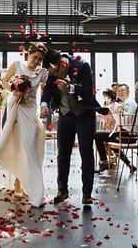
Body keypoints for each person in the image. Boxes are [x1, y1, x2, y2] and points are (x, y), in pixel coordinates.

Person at [0, 43, 48, 206]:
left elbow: (47, 91)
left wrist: (45, 105)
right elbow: (4, 81)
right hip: (16, 107)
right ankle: (17, 183)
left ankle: (28, 184)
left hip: (31, 109)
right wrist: (14, 89)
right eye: (35, 57)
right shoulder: (17, 65)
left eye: (40, 59)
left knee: (29, 146)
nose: (37, 61)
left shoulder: (42, 72)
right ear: (28, 54)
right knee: (16, 143)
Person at [40, 49, 106, 206]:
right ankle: (62, 190)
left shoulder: (82, 66)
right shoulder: (53, 72)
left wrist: (70, 88)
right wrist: (44, 104)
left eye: (53, 71)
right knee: (63, 153)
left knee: (86, 151)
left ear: (60, 64)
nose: (53, 75)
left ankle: (86, 193)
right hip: (65, 114)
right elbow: (48, 89)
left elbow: (88, 91)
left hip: (85, 114)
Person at [94, 83, 137, 173]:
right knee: (111, 143)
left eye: (123, 90)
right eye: (118, 91)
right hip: (125, 133)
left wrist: (117, 114)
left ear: (128, 92)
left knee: (97, 135)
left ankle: (104, 161)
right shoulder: (125, 103)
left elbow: (126, 120)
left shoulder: (129, 103)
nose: (120, 92)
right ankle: (129, 164)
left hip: (128, 135)